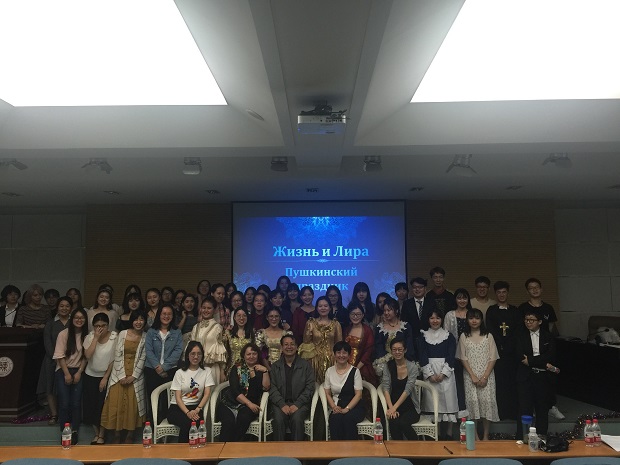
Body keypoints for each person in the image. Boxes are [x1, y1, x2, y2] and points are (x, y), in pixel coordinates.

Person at [518, 277, 564, 420]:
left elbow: (550, 329)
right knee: (529, 386)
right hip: (528, 349)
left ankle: (551, 407)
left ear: (541, 289)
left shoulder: (548, 308)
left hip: (545, 348)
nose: (535, 290)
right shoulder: (523, 308)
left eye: (537, 287)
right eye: (531, 288)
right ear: (527, 291)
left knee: (548, 382)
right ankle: (531, 409)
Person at [100, 310, 147, 444]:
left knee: (132, 406)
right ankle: (116, 434)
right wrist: (121, 376)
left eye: (141, 319)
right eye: (136, 319)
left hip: (135, 376)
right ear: (131, 320)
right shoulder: (123, 333)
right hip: (118, 375)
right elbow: (117, 354)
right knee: (116, 404)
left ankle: (130, 435)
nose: (138, 322)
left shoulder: (146, 336)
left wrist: (133, 376)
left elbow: (143, 358)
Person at [456, 308, 499, 441]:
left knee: (487, 404)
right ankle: (474, 436)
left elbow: (493, 357)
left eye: (477, 318)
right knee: (472, 405)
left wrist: (485, 376)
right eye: (471, 318)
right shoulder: (464, 336)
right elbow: (463, 358)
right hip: (470, 376)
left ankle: (486, 436)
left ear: (481, 320)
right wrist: (473, 376)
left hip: (487, 375)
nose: (474, 321)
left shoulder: (488, 336)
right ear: (467, 320)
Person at [485, 280, 521, 431]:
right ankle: (501, 412)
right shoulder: (492, 311)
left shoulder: (515, 311)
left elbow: (518, 330)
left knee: (512, 382)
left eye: (504, 292)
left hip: (512, 354)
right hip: (497, 353)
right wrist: (500, 344)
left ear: (508, 293)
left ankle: (513, 412)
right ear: (495, 294)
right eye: (499, 292)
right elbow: (491, 330)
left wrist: (510, 345)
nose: (501, 295)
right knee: (499, 383)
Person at [516, 308, 557, 437]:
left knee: (542, 409)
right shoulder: (520, 335)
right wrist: (543, 363)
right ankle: (523, 436)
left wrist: (534, 361)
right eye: (526, 320)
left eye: (531, 320)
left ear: (539, 322)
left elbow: (550, 355)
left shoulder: (548, 336)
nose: (528, 322)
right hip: (526, 377)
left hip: (543, 377)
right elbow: (520, 356)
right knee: (524, 408)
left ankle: (541, 437)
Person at [217, 343, 270, 441]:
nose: (251, 356)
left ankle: (235, 446)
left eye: (254, 354)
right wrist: (249, 404)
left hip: (249, 406)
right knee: (228, 422)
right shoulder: (236, 368)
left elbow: (266, 387)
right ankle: (224, 448)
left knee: (244, 418)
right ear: (243, 356)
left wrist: (265, 371)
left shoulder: (261, 369)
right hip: (230, 403)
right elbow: (235, 391)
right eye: (248, 354)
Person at [418, 309, 458, 440]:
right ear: (428, 320)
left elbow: (451, 355)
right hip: (430, 373)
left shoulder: (449, 336)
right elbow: (422, 356)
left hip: (445, 373)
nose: (435, 321)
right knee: (432, 403)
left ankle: (449, 434)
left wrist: (443, 373)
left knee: (448, 402)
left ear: (442, 320)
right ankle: (437, 433)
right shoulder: (423, 336)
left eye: (438, 318)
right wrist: (429, 374)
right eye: (432, 318)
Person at [269, 334, 316, 440]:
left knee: (297, 419)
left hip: (300, 404)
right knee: (278, 420)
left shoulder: (305, 366)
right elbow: (272, 388)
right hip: (280, 404)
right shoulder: (275, 366)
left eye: (292, 344)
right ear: (281, 348)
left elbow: (310, 387)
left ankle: (297, 449)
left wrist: (297, 404)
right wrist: (282, 404)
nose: (289, 347)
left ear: (296, 347)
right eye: (286, 344)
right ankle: (278, 450)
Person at [167, 341, 214, 442]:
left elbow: (207, 394)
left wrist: (197, 409)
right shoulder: (180, 373)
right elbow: (178, 398)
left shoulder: (207, 371)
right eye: (193, 354)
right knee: (187, 423)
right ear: (187, 355)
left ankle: (198, 449)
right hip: (178, 408)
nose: (196, 357)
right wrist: (188, 412)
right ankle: (182, 450)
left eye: (199, 354)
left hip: (195, 407)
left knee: (198, 423)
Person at [53, 308, 88, 445]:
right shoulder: (63, 334)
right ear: (72, 319)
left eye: (82, 318)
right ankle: (64, 431)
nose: (79, 320)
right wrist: (67, 373)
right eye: (76, 318)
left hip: (79, 370)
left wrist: (79, 372)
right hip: (63, 370)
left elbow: (86, 357)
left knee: (76, 403)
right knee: (64, 403)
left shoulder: (87, 335)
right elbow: (59, 355)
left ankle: (74, 431)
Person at [144, 304, 183, 423]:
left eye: (169, 314)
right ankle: (153, 425)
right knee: (153, 399)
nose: (166, 316)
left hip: (170, 371)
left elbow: (178, 351)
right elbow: (148, 350)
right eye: (164, 314)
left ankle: (166, 426)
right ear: (159, 315)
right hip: (151, 370)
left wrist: (164, 367)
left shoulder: (177, 332)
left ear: (173, 316)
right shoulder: (151, 331)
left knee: (167, 400)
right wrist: (157, 367)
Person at [37, 295, 72, 426]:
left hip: (70, 361)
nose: (64, 308)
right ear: (57, 307)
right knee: (50, 387)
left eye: (67, 306)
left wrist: (67, 359)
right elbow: (47, 343)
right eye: (61, 306)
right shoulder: (50, 323)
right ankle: (54, 414)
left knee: (67, 388)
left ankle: (67, 415)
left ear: (71, 308)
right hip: (51, 360)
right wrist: (57, 358)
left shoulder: (73, 322)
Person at [83, 312, 117, 444]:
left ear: (108, 325)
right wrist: (95, 338)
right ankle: (96, 434)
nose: (100, 328)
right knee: (91, 405)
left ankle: (102, 435)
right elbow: (87, 355)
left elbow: (113, 359)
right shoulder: (89, 337)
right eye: (97, 326)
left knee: (102, 406)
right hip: (90, 375)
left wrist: (105, 377)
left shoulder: (114, 337)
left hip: (106, 376)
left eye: (103, 325)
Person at [323, 341, 365, 440]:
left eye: (344, 353)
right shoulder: (329, 371)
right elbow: (327, 393)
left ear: (349, 355)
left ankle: (351, 448)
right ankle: (337, 448)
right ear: (334, 354)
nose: (341, 355)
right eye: (338, 352)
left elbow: (358, 394)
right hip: (337, 406)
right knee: (335, 419)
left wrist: (347, 408)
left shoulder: (355, 371)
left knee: (348, 418)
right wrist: (334, 407)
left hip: (354, 407)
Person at [381, 336, 420, 440]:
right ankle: (396, 449)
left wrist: (394, 408)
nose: (397, 352)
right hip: (392, 403)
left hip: (409, 406)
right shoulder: (388, 366)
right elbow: (386, 388)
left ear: (405, 350)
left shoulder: (412, 367)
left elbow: (408, 390)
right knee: (393, 421)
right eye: (394, 350)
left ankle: (417, 447)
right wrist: (391, 408)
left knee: (403, 423)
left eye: (400, 349)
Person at [298, 296, 343, 383]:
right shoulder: (311, 323)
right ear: (317, 308)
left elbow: (339, 344)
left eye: (325, 306)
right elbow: (306, 343)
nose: (323, 308)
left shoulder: (336, 324)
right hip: (314, 360)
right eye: (320, 306)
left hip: (332, 360)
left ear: (330, 308)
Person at [444, 288, 472, 419]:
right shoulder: (450, 315)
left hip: (472, 354)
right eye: (459, 298)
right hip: (455, 355)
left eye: (464, 298)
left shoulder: (472, 314)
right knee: (459, 384)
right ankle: (460, 412)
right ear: (455, 299)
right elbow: (446, 336)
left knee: (470, 383)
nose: (462, 300)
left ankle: (472, 413)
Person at [373, 297, 415, 378]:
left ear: (396, 311)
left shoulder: (405, 326)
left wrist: (402, 358)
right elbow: (378, 347)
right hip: (385, 362)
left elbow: (409, 346)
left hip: (404, 360)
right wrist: (388, 359)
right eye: (384, 310)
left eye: (389, 310)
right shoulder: (380, 328)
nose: (386, 313)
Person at [190, 296, 227, 384]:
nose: (206, 310)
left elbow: (221, 351)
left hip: (211, 367)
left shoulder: (218, 328)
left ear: (214, 310)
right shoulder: (195, 327)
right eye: (204, 308)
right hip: (196, 367)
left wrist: (222, 372)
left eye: (209, 308)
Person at [343, 304, 378, 386]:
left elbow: (368, 351)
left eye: (358, 314)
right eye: (353, 314)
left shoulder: (367, 330)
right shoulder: (347, 329)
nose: (355, 317)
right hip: (346, 364)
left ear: (362, 315)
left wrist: (356, 368)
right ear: (349, 315)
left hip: (362, 365)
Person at [224, 307, 255, 372]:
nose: (241, 318)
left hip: (249, 369)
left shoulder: (252, 333)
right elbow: (225, 353)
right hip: (232, 368)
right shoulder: (228, 333)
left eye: (244, 315)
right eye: (238, 315)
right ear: (234, 318)